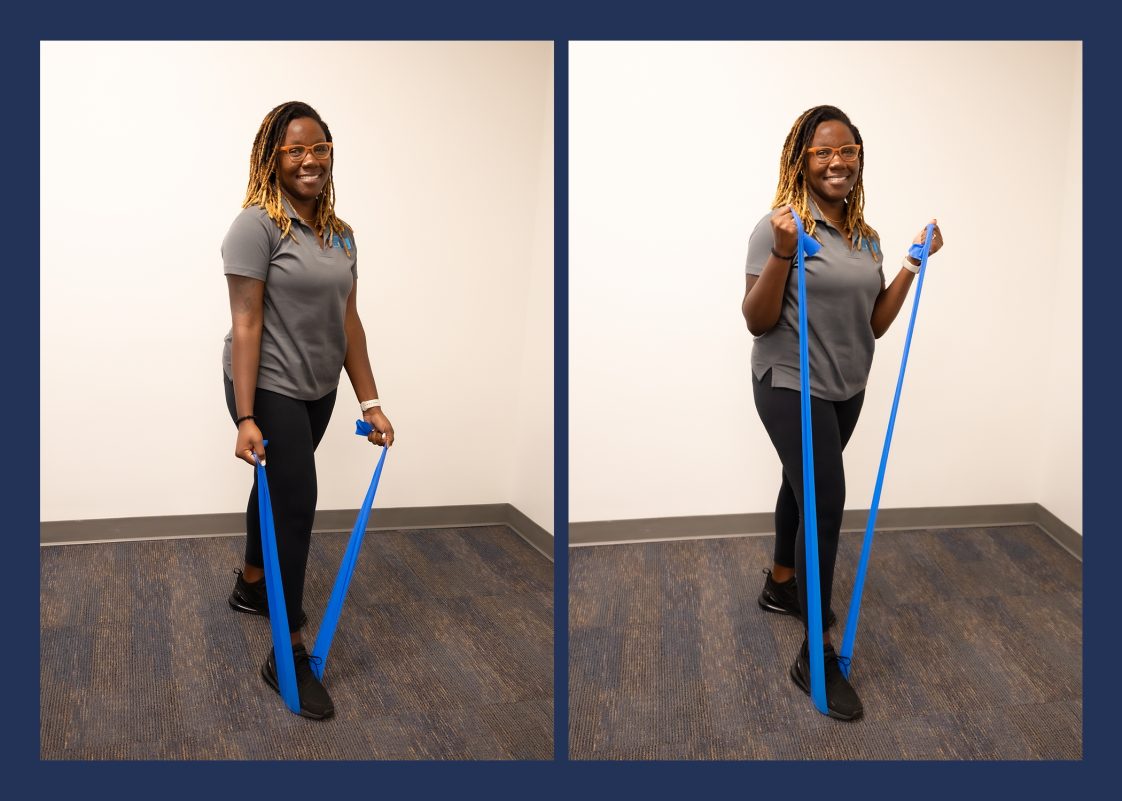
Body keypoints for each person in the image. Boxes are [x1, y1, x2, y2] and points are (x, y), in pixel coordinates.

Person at [742, 105, 943, 720]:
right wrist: (781, 254)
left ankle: (782, 584)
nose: (837, 162)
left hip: (846, 385)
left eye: (847, 150)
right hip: (788, 380)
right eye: (824, 152)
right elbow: (755, 319)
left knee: (798, 482)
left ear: (859, 157)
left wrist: (911, 263)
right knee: (825, 497)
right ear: (800, 160)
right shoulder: (777, 226)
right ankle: (815, 655)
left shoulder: (867, 238)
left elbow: (874, 323)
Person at [221, 100, 395, 720]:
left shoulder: (341, 234)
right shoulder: (256, 227)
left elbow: (349, 321)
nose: (308, 159)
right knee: (296, 504)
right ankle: (286, 649)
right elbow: (246, 324)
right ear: (273, 157)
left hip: (318, 387)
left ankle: (250, 585)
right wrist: (245, 415)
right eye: (294, 149)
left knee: (276, 485)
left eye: (318, 147)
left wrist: (368, 401)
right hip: (266, 383)